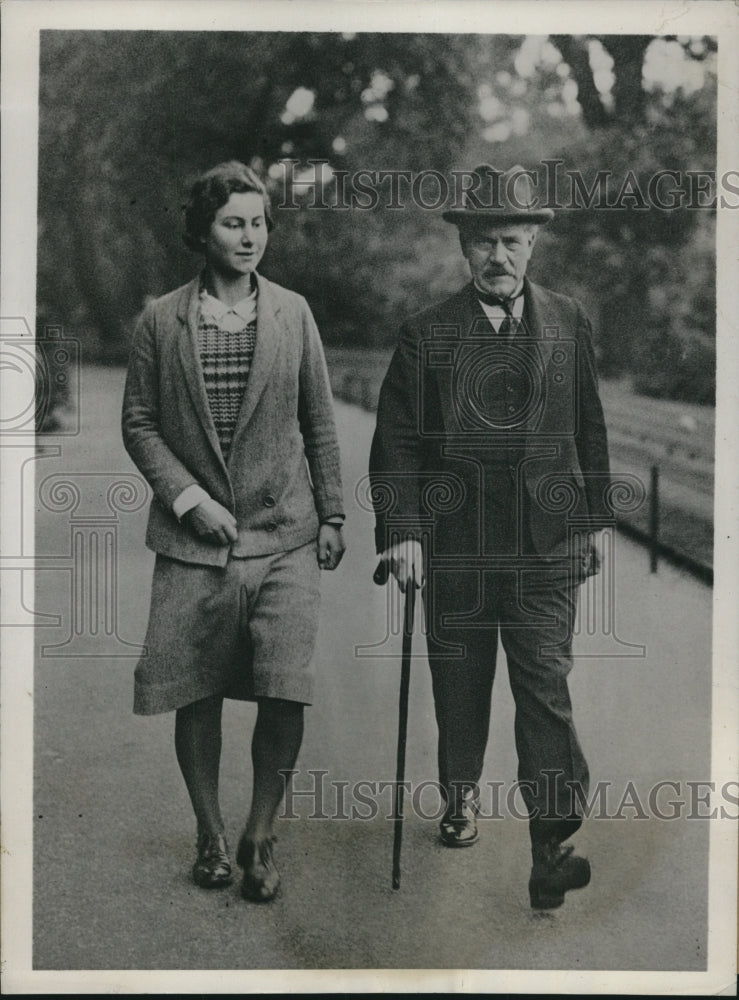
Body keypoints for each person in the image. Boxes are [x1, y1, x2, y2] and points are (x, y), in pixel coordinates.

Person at [369, 164, 611, 909]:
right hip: (457, 550)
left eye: (511, 240)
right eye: (482, 243)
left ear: (533, 242)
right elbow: (398, 443)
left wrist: (590, 521)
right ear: (462, 249)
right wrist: (403, 533)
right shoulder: (427, 334)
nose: (497, 257)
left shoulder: (567, 322)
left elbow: (587, 428)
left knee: (544, 691)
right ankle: (459, 795)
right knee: (462, 685)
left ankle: (550, 844)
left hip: (543, 549)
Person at [122, 160, 345, 902]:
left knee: (285, 688)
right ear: (202, 231)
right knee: (198, 690)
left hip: (284, 534)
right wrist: (187, 499)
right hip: (195, 544)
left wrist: (334, 513)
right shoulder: (161, 319)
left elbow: (318, 420)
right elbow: (140, 423)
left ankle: (261, 832)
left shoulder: (294, 312)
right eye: (233, 223)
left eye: (258, 223)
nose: (249, 237)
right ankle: (212, 835)